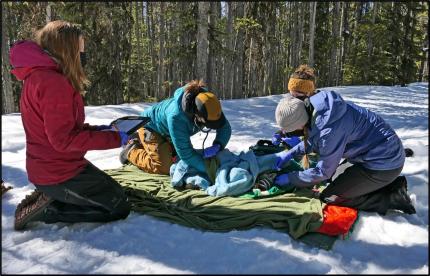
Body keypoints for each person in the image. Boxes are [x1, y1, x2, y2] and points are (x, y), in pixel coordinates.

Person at [9, 20, 131, 231]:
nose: (83, 55)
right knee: (118, 206)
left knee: (115, 192)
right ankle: (50, 209)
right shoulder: (53, 83)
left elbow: (62, 129)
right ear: (68, 50)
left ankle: (50, 193)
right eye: (80, 49)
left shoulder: (42, 76)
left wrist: (101, 131)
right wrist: (115, 139)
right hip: (57, 171)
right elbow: (64, 140)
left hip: (57, 165)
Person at [270, 87, 416, 215]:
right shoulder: (319, 108)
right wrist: (292, 152)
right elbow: (315, 138)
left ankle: (392, 198)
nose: (292, 133)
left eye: (293, 130)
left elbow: (323, 171)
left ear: (301, 123)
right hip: (378, 153)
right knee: (332, 180)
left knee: (330, 196)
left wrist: (291, 178)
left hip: (384, 164)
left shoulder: (330, 130)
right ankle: (386, 184)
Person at [120, 79, 231, 175]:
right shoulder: (176, 116)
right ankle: (131, 149)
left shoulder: (209, 102)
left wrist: (218, 145)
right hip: (150, 127)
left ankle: (160, 145)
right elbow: (186, 154)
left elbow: (224, 127)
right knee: (164, 166)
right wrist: (209, 170)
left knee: (176, 158)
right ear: (197, 116)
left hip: (168, 131)